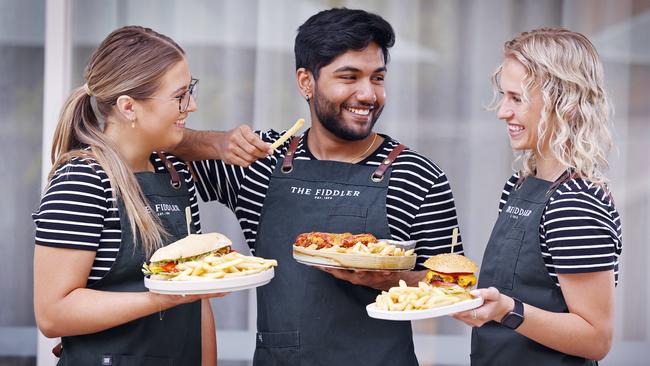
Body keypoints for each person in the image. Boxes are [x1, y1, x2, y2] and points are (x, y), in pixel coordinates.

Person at [175, 8, 463, 365]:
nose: (368, 94)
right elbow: (157, 139)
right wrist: (217, 142)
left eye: (377, 78)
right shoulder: (260, 159)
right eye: (349, 76)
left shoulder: (417, 174)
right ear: (305, 82)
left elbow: (452, 284)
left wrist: (388, 278)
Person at [32, 26, 224, 365]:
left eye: (190, 90)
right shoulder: (81, 181)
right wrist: (164, 297)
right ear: (128, 107)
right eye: (179, 95)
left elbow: (198, 300)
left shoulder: (174, 174)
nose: (191, 106)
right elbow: (53, 313)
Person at [453, 28, 622, 365]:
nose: (502, 111)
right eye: (504, 96)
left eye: (517, 98)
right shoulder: (519, 186)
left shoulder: (575, 204)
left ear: (564, 103)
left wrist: (507, 310)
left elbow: (596, 338)